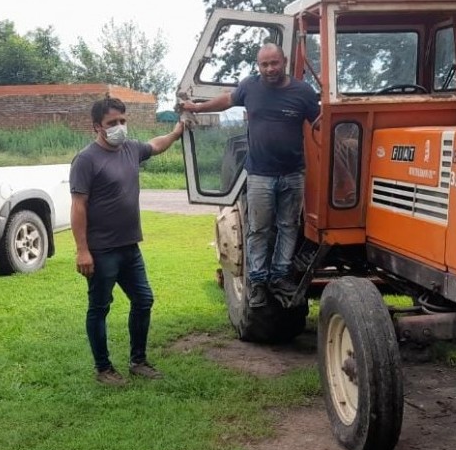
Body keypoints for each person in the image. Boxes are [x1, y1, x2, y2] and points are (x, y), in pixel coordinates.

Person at [179, 43, 319, 308]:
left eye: (274, 63)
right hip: (260, 175)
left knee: (289, 226)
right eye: (264, 64)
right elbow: (226, 100)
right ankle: (257, 282)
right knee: (259, 229)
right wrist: (197, 108)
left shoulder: (302, 91)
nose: (269, 69)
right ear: (258, 66)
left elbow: (320, 122)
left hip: (293, 174)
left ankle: (279, 276)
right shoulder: (250, 86)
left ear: (284, 61)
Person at [70, 95, 184, 386]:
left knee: (143, 300)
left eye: (122, 121)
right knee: (99, 308)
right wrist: (83, 250)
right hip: (101, 250)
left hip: (130, 247)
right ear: (97, 126)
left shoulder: (131, 149)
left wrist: (175, 133)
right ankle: (104, 369)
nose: (119, 127)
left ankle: (138, 361)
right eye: (112, 123)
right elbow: (78, 206)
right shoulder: (86, 160)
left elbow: (156, 145)